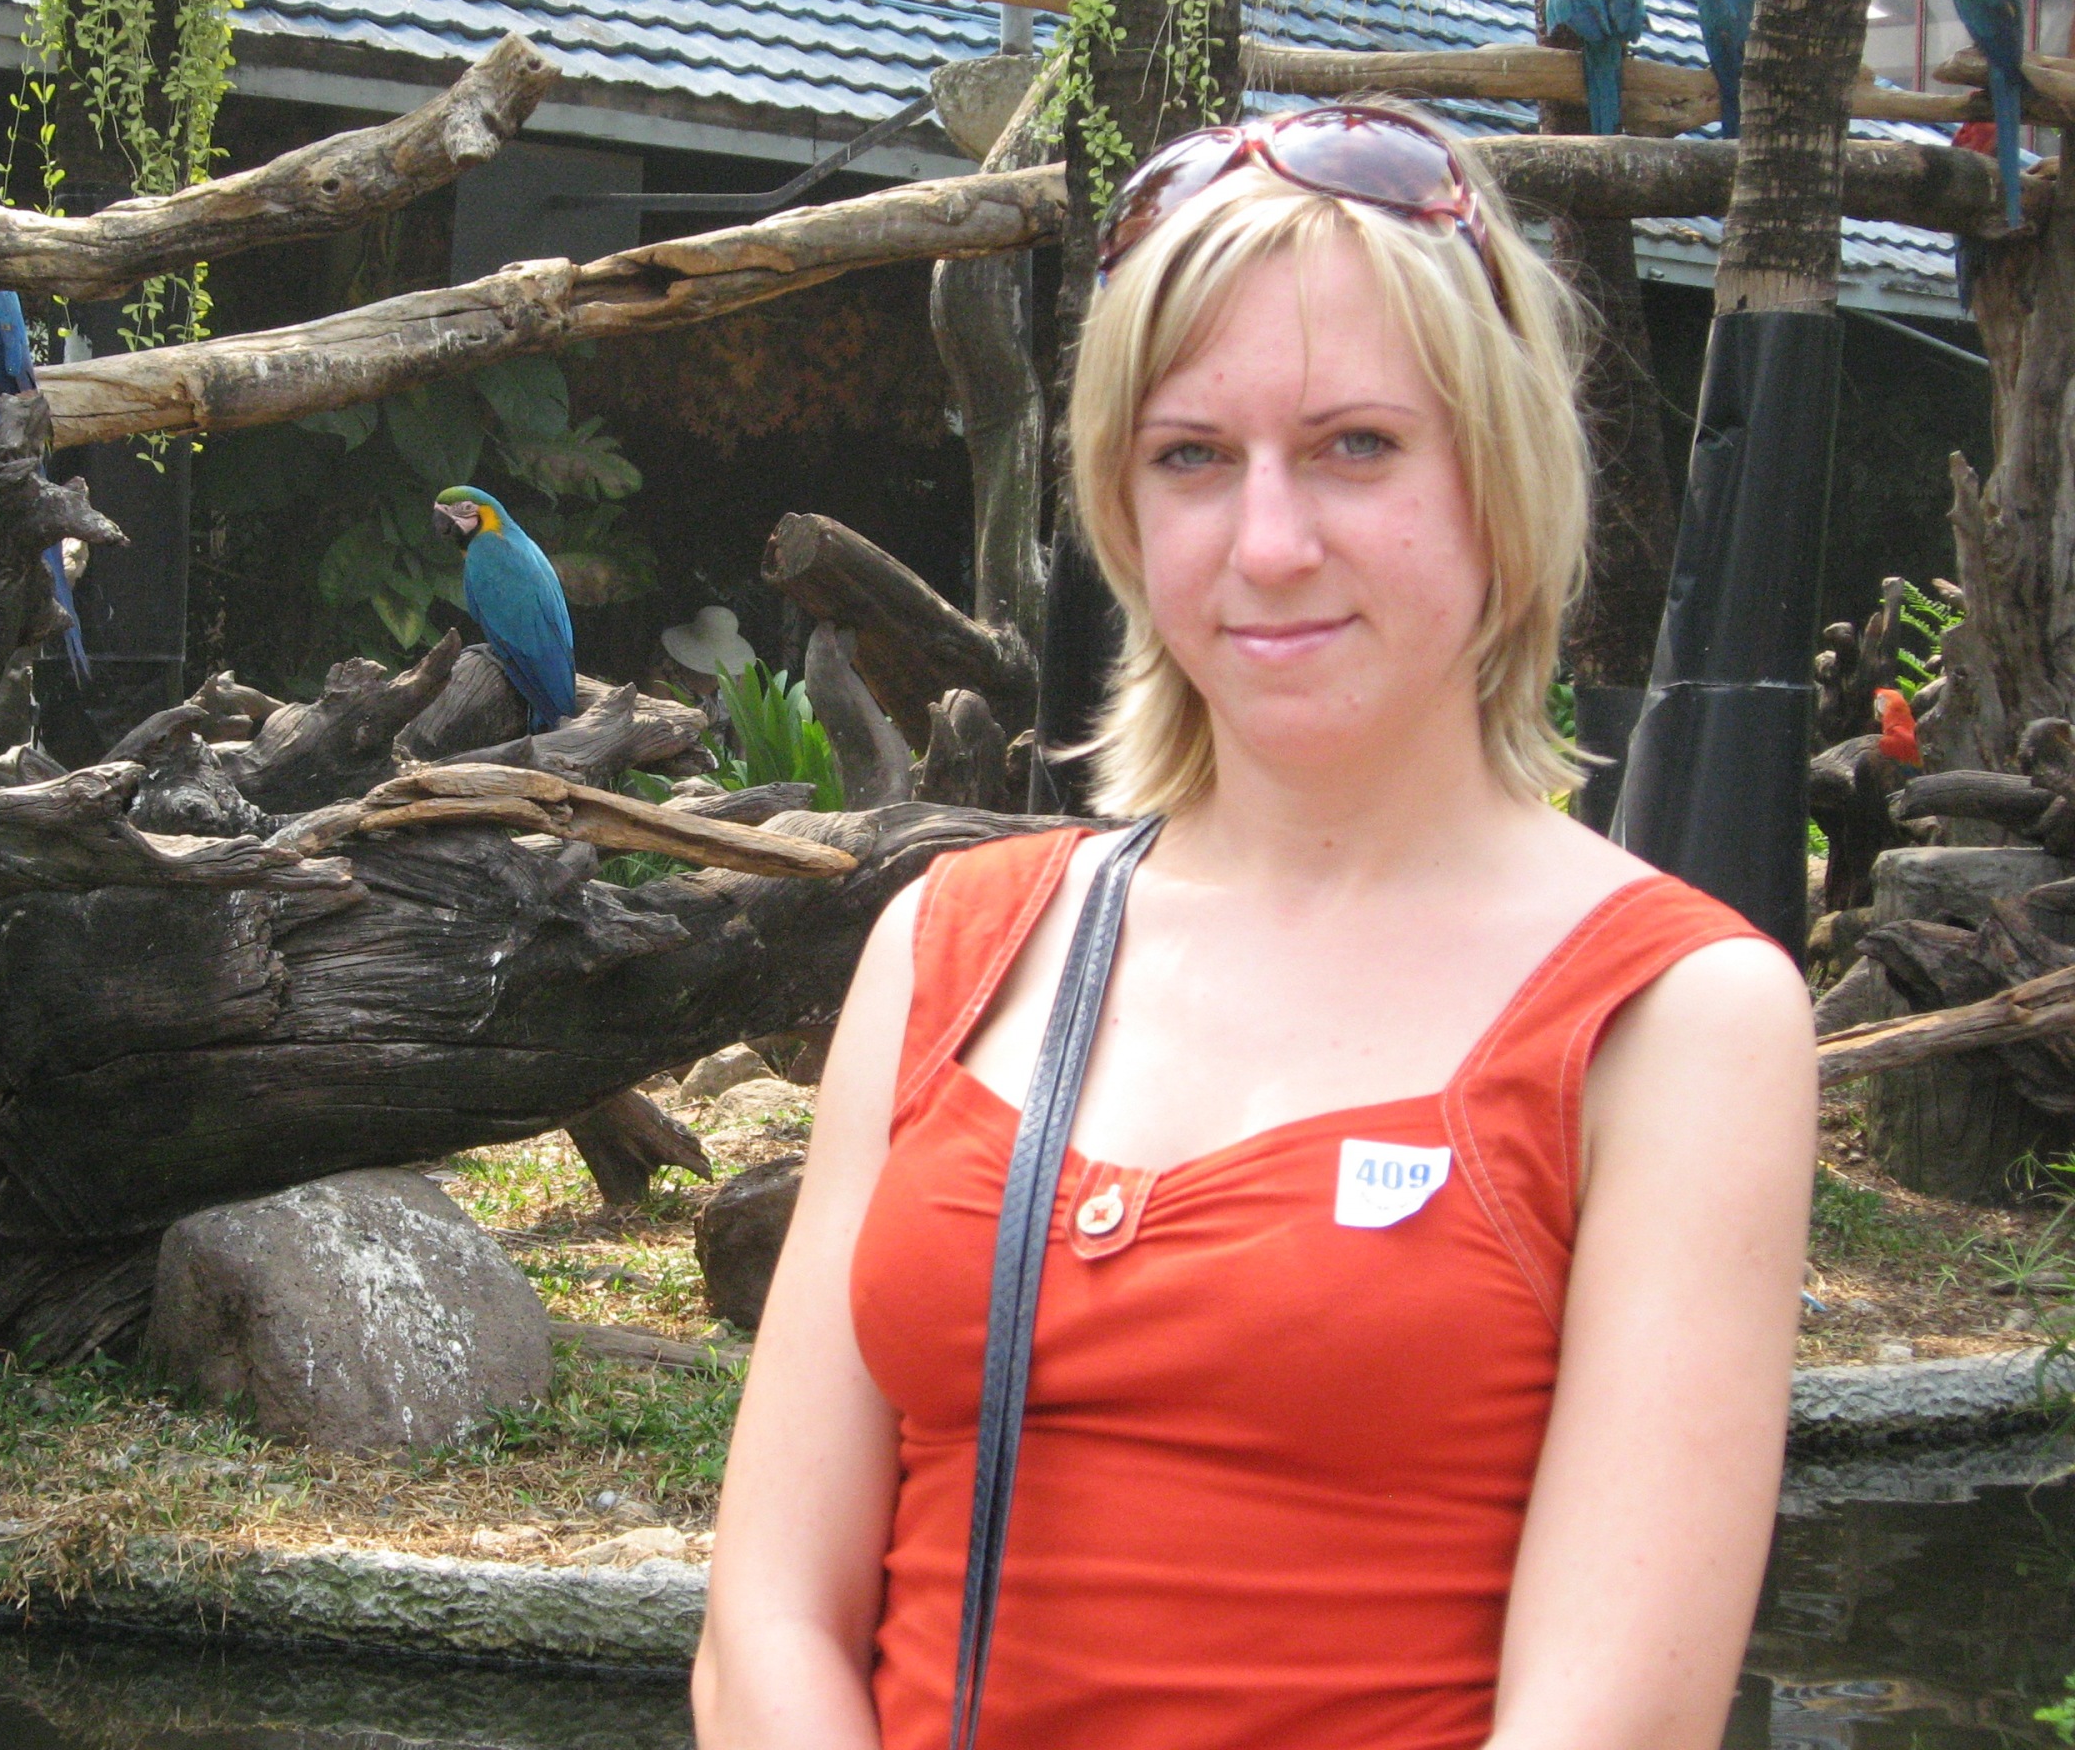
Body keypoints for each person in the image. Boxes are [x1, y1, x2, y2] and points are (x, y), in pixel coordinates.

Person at [693, 104, 1817, 1750]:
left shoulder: (1673, 1021)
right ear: (1121, 507)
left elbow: (1613, 1721)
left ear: (1499, 480)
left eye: (1356, 445)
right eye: (1192, 457)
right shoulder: (950, 951)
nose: (1270, 545)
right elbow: (767, 1621)